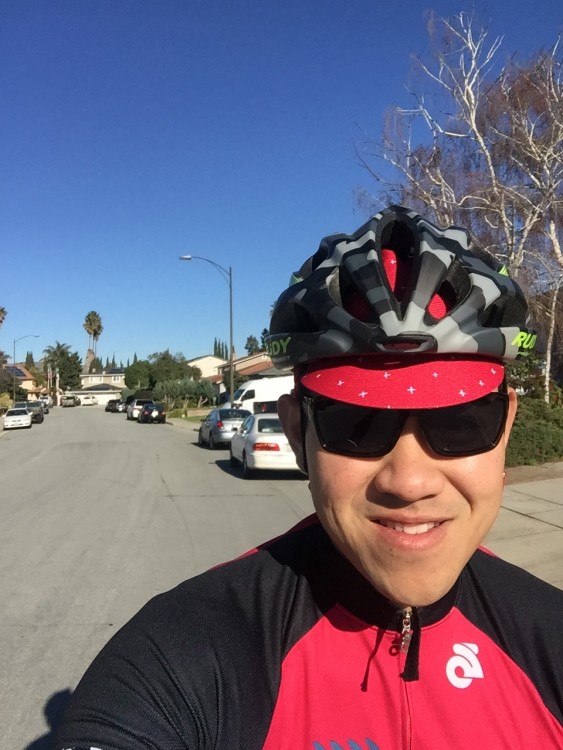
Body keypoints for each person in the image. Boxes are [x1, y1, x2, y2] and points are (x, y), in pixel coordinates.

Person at [56, 205, 562, 749]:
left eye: (461, 423)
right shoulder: (180, 654)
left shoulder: (550, 637)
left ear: (505, 427)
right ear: (299, 433)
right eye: (357, 423)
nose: (410, 481)